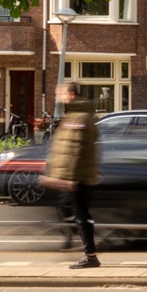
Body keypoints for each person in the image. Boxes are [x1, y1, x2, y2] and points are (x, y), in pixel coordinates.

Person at [41, 81, 101, 269]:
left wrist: (70, 178)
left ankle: (90, 255)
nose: (57, 96)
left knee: (82, 215)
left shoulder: (79, 118)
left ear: (72, 95)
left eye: (61, 93)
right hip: (74, 175)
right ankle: (84, 247)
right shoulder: (74, 115)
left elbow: (76, 150)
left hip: (78, 177)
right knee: (72, 211)